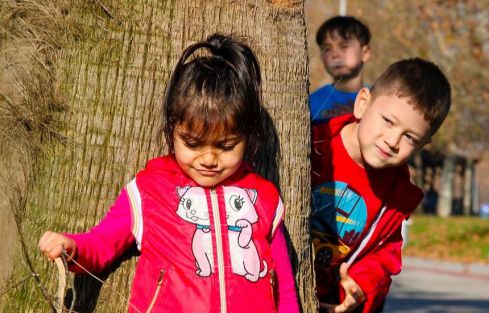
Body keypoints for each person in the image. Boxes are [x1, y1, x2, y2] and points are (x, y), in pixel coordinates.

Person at [38, 34, 300, 313]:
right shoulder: (150, 189)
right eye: (193, 143)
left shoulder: (263, 198)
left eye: (226, 146)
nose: (209, 159)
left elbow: (283, 287)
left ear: (247, 138)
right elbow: (102, 243)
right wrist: (71, 247)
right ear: (172, 129)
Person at [310, 58, 451, 313]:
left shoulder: (396, 194)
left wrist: (360, 286)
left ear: (423, 144)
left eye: (410, 137)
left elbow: (385, 256)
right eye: (388, 121)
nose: (393, 140)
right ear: (363, 103)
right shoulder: (314, 144)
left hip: (331, 303)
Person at [310, 16, 371, 124]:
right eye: (327, 49)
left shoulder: (378, 98)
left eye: (344, 46)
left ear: (365, 53)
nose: (335, 54)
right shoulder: (311, 103)